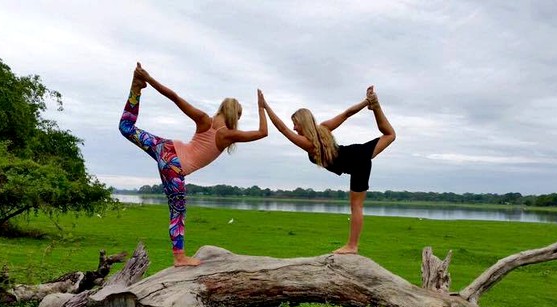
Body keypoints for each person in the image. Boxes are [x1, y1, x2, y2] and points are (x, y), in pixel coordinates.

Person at [119, 62, 267, 266]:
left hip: (165, 148)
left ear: (221, 109)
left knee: (126, 127)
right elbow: (263, 132)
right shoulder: (227, 135)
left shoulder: (204, 120)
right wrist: (262, 107)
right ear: (236, 115)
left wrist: (148, 80)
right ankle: (179, 257)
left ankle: (136, 89)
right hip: (175, 166)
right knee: (177, 212)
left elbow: (175, 97)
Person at [261, 86, 395, 254]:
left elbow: (282, 129)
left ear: (302, 123)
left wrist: (265, 106)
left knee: (356, 206)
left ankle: (352, 246)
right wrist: (366, 102)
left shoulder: (309, 144)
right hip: (357, 154)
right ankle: (375, 106)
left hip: (357, 161)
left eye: (295, 124)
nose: (294, 128)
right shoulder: (323, 129)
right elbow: (347, 114)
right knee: (390, 135)